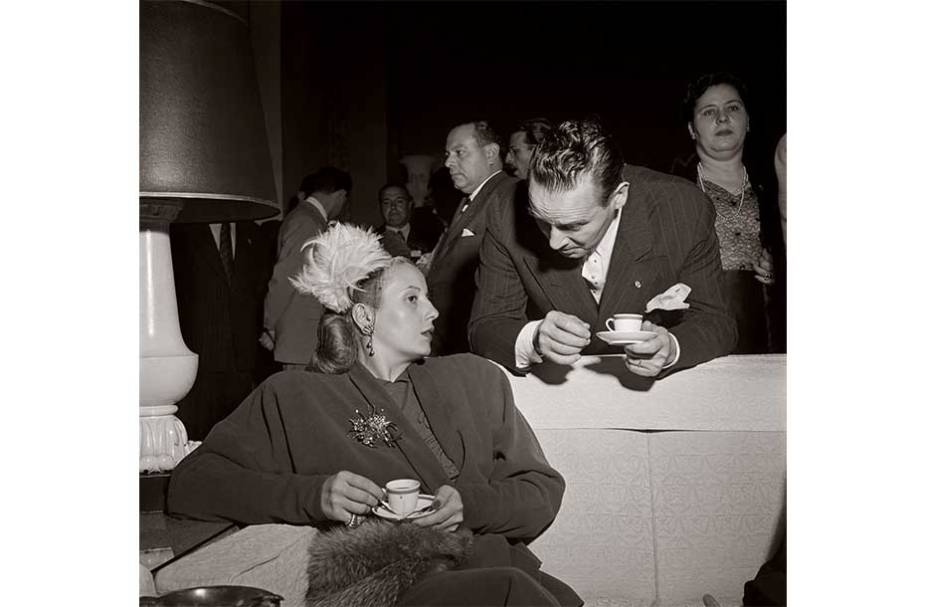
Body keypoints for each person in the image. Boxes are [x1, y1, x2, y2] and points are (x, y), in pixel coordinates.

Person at [168, 223, 581, 607]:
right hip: (390, 586)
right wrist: (313, 495)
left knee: (510, 588)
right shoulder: (295, 396)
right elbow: (192, 485)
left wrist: (468, 505)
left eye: (428, 296)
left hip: (491, 573)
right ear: (365, 317)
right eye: (412, 299)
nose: (433, 312)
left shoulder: (477, 379)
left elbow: (540, 491)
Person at [469, 117, 737, 377]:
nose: (554, 242)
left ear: (619, 196)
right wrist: (534, 337)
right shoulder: (504, 209)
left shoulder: (683, 209)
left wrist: (672, 347)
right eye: (541, 221)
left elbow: (716, 321)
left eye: (573, 226)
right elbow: (485, 327)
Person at [678, 72, 785, 353]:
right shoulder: (673, 193)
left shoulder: (780, 188)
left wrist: (783, 266)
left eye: (733, 108)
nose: (722, 118)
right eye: (709, 112)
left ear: (748, 121)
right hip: (698, 336)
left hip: (772, 337)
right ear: (692, 129)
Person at [169, 219, 272, 439]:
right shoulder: (183, 229)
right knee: (199, 436)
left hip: (242, 357)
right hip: (200, 354)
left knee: (238, 437)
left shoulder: (251, 232)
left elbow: (259, 287)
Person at [424, 120, 517, 355]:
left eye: (459, 152)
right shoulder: (470, 199)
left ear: (490, 153)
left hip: (470, 346)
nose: (448, 162)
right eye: (447, 154)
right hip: (448, 342)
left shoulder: (508, 195)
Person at [262, 167, 351, 369]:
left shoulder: (308, 219)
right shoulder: (306, 222)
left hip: (304, 338)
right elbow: (284, 278)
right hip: (299, 339)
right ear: (340, 195)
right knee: (299, 398)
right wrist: (271, 326)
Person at [374, 183, 439, 260]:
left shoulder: (430, 237)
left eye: (399, 201)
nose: (393, 207)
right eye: (386, 203)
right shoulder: (373, 241)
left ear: (409, 205)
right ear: (380, 207)